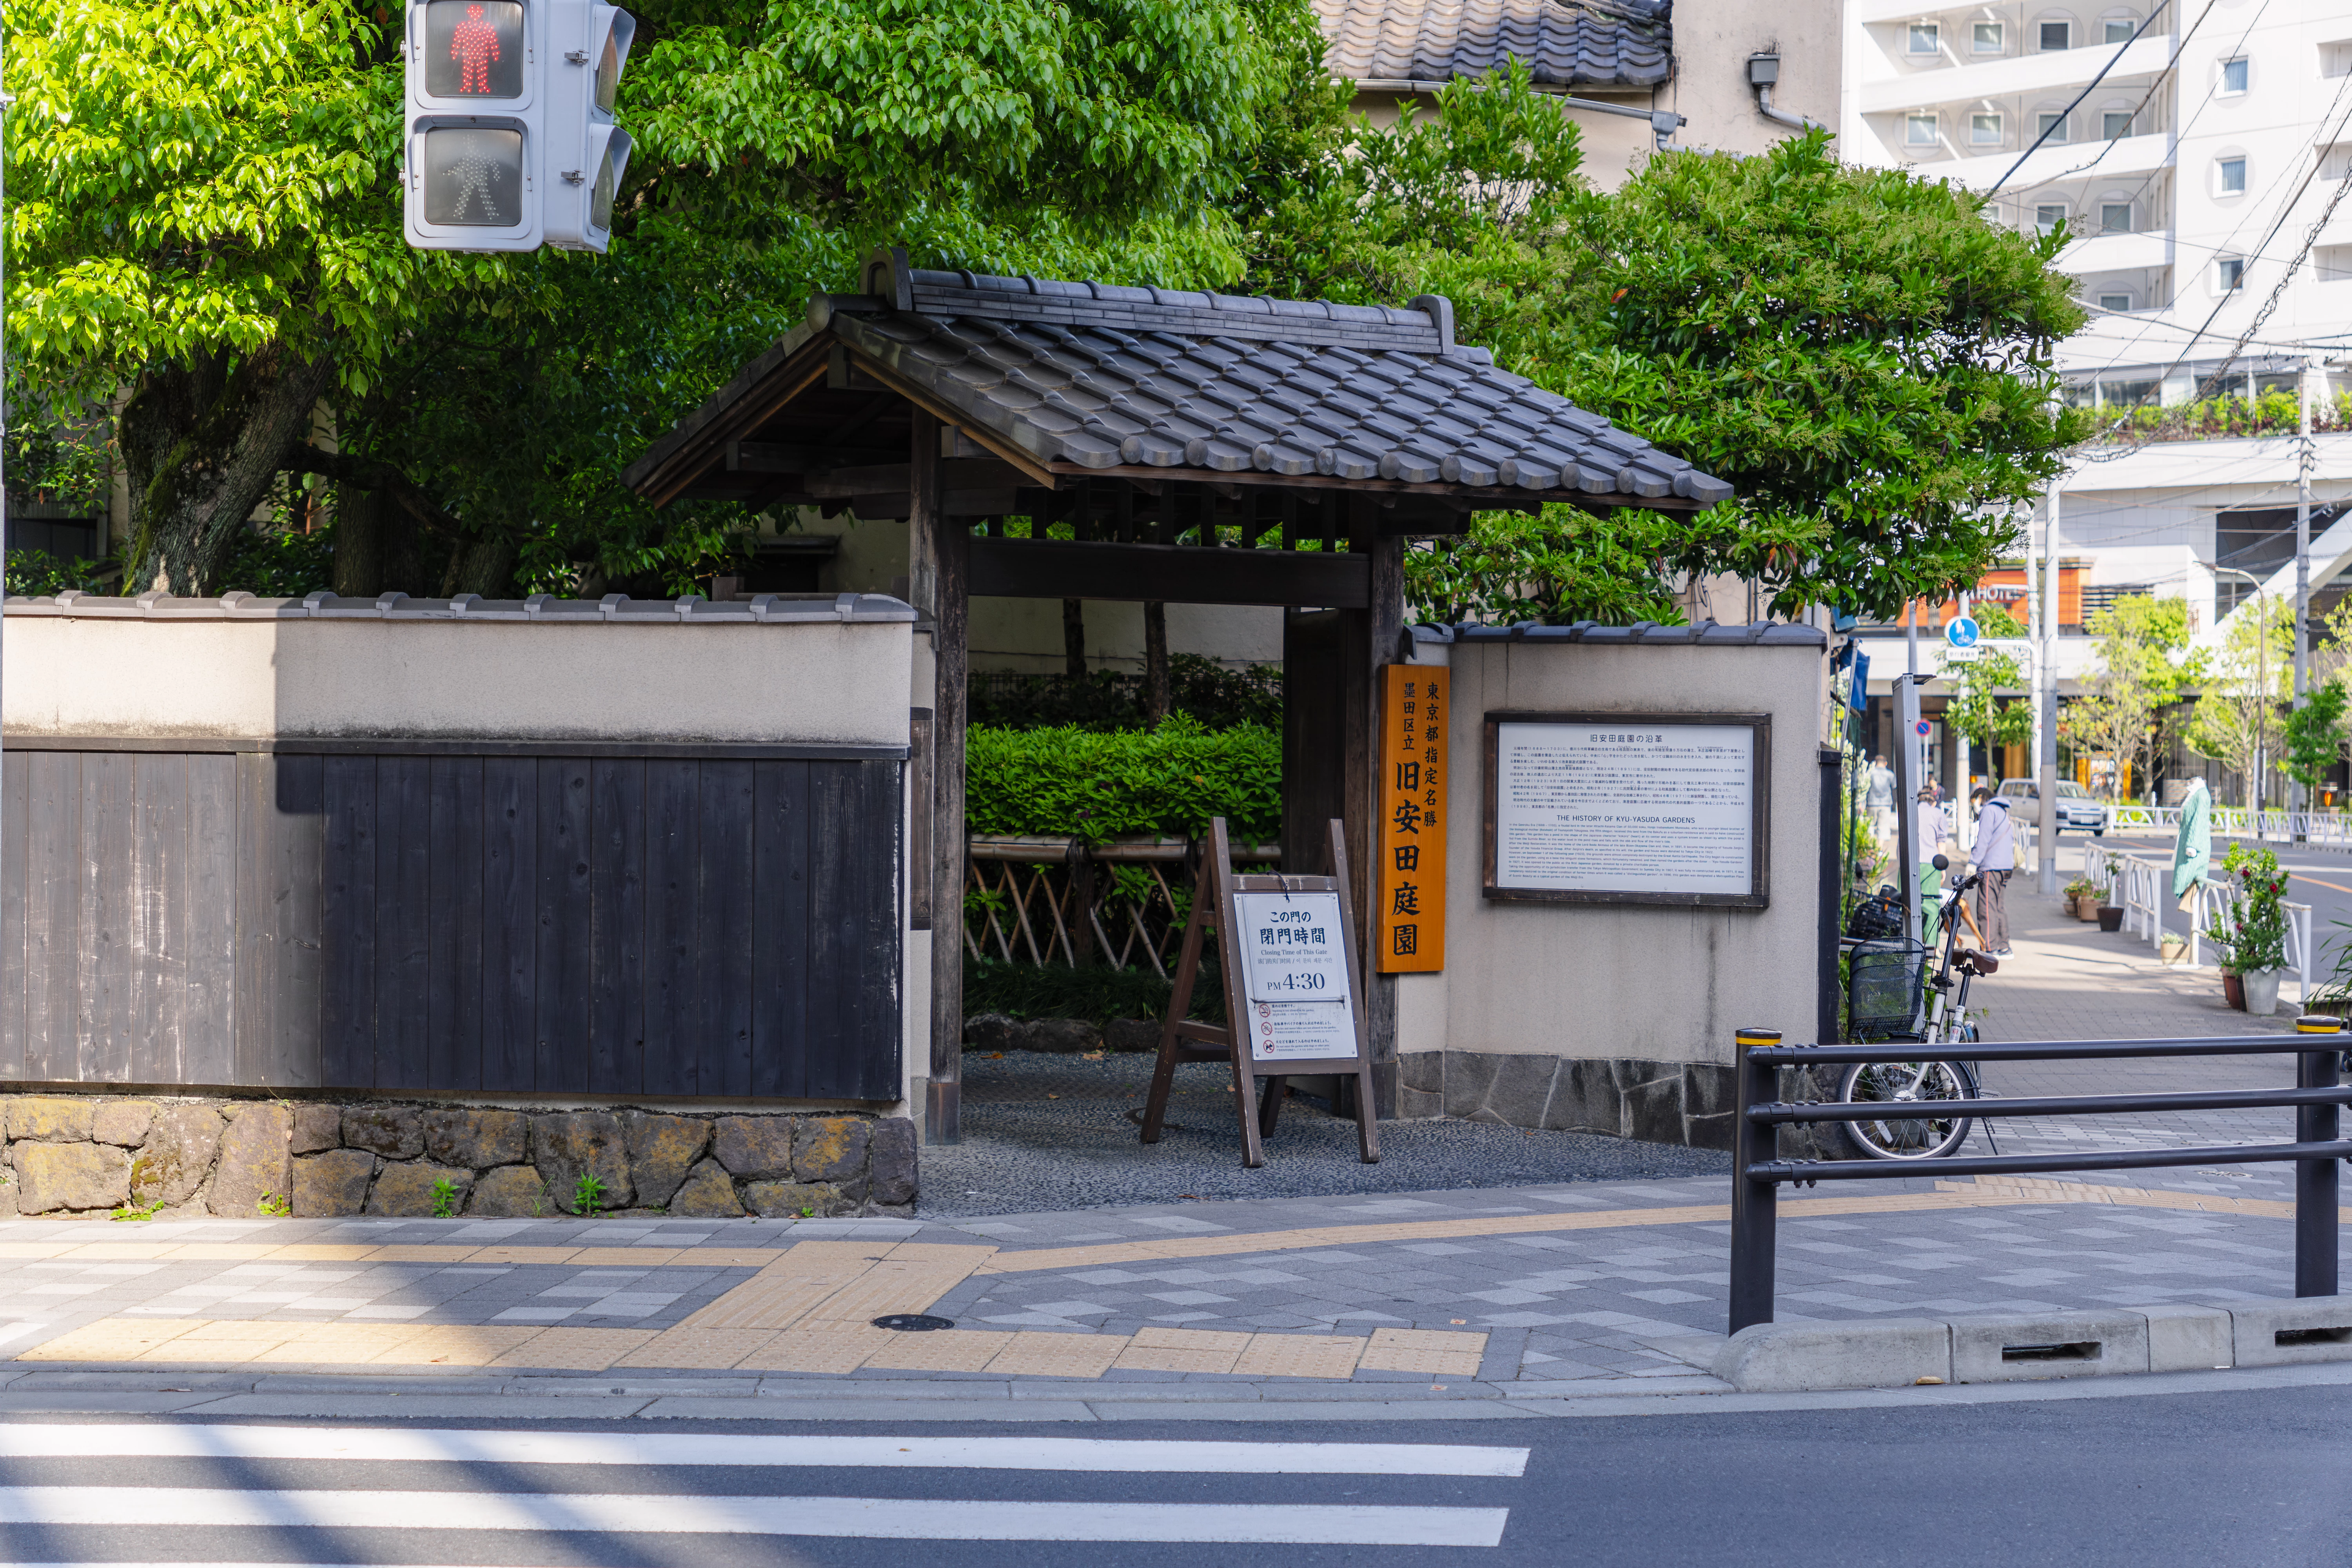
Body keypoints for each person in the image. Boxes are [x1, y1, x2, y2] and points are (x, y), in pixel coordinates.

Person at [1971, 784, 2014, 957]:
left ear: (1980, 798)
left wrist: (1973, 862)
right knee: (1999, 906)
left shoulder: (1989, 811)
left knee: (1986, 907)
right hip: (2006, 866)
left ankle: (1989, 948)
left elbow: (1983, 840)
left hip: (1992, 866)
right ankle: (2004, 946)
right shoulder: (2003, 811)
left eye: (1974, 802)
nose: (1974, 807)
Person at [1916, 786, 1951, 942]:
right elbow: (1941, 841)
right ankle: (1931, 949)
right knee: (1931, 906)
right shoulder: (1937, 813)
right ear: (1933, 801)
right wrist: (1943, 867)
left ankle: (1906, 945)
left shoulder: (1909, 811)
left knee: (1905, 904)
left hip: (1909, 864)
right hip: (1932, 864)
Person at [1864, 753, 1897, 854]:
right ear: (1886, 763)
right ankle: (1879, 849)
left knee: (1869, 826)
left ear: (1875, 763)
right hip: (1885, 804)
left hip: (1872, 803)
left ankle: (1870, 848)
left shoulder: (1870, 773)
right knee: (1883, 827)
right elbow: (1895, 786)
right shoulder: (1890, 774)